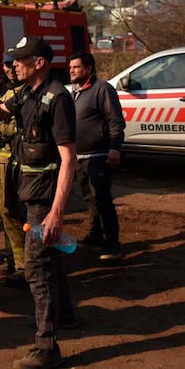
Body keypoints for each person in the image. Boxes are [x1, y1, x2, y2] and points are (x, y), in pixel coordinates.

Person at [0, 36, 77, 369]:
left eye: (20, 59)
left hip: (45, 196)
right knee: (52, 257)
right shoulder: (25, 93)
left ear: (39, 62)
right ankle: (65, 315)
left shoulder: (57, 98)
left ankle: (47, 346)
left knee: (36, 267)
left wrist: (57, 212)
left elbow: (69, 158)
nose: (13, 64)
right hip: (30, 189)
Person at [68, 50, 125, 261]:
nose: (71, 71)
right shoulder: (75, 92)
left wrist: (114, 148)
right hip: (80, 157)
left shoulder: (102, 89)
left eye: (76, 67)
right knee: (90, 198)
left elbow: (115, 120)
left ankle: (113, 244)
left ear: (89, 68)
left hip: (99, 155)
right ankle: (96, 235)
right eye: (70, 67)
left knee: (102, 199)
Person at [0, 55, 27, 285]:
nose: (10, 68)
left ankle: (23, 266)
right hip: (1, 158)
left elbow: (25, 128)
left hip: (14, 160)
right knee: (5, 213)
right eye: (6, 64)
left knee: (12, 211)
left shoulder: (25, 93)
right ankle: (11, 260)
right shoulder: (9, 91)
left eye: (14, 64)